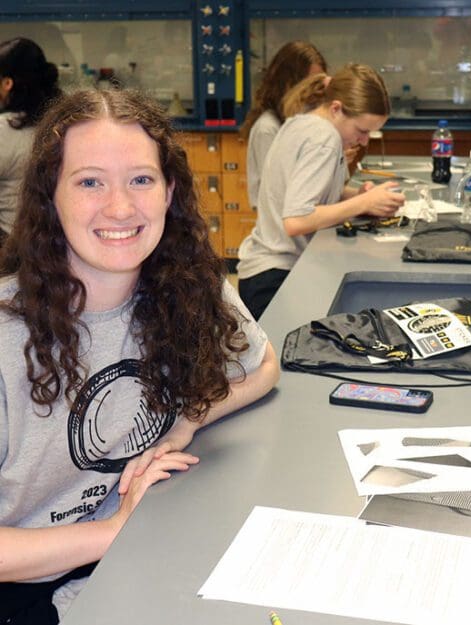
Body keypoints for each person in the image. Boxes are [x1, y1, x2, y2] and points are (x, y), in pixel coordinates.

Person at [0, 88, 279, 624]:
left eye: (141, 179)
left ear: (169, 191)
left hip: (135, 551)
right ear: (48, 199)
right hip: (27, 586)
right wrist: (109, 532)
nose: (121, 207)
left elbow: (263, 367)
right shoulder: (8, 337)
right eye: (89, 182)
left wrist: (184, 423)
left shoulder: (187, 285)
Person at [237, 63, 406, 321]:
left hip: (262, 273)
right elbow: (296, 220)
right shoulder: (324, 138)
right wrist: (362, 204)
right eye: (361, 130)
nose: (364, 141)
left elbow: (310, 192)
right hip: (275, 277)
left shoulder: (302, 123)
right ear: (336, 108)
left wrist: (359, 196)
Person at [240, 41, 327, 210]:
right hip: (279, 227)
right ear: (288, 84)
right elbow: (280, 194)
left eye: (318, 85)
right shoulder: (268, 128)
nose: (315, 92)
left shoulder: (302, 123)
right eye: (309, 84)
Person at [0, 37, 61, 246]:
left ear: (7, 84)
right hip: (57, 246)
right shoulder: (63, 123)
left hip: (11, 248)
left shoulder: (4, 129)